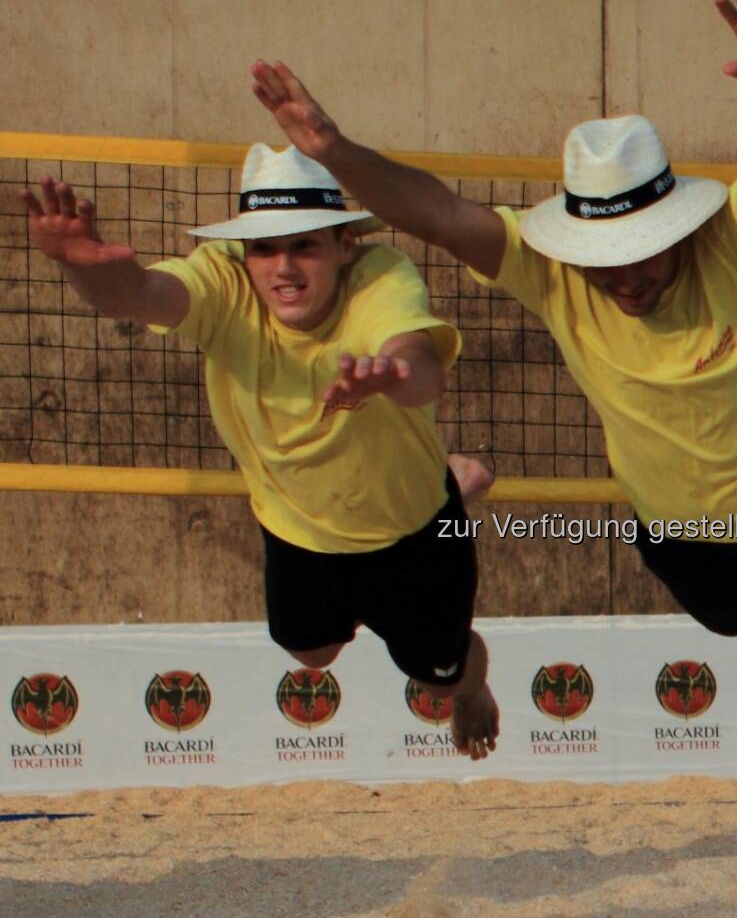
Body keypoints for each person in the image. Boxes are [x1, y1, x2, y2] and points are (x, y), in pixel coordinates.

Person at [250, 0, 737, 718]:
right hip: (682, 530)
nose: (622, 278)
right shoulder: (555, 273)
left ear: (675, 227)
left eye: (639, 252)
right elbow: (439, 213)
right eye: (602, 256)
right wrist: (333, 150)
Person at [20, 144, 501, 758]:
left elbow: (423, 363)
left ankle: (469, 683)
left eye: (304, 244)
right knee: (312, 653)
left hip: (413, 533)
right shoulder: (221, 279)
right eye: (266, 247)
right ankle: (456, 481)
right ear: (243, 253)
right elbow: (135, 293)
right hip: (298, 526)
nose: (285, 267)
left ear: (344, 246)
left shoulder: (380, 274)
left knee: (441, 675)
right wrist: (81, 265)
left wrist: (392, 378)